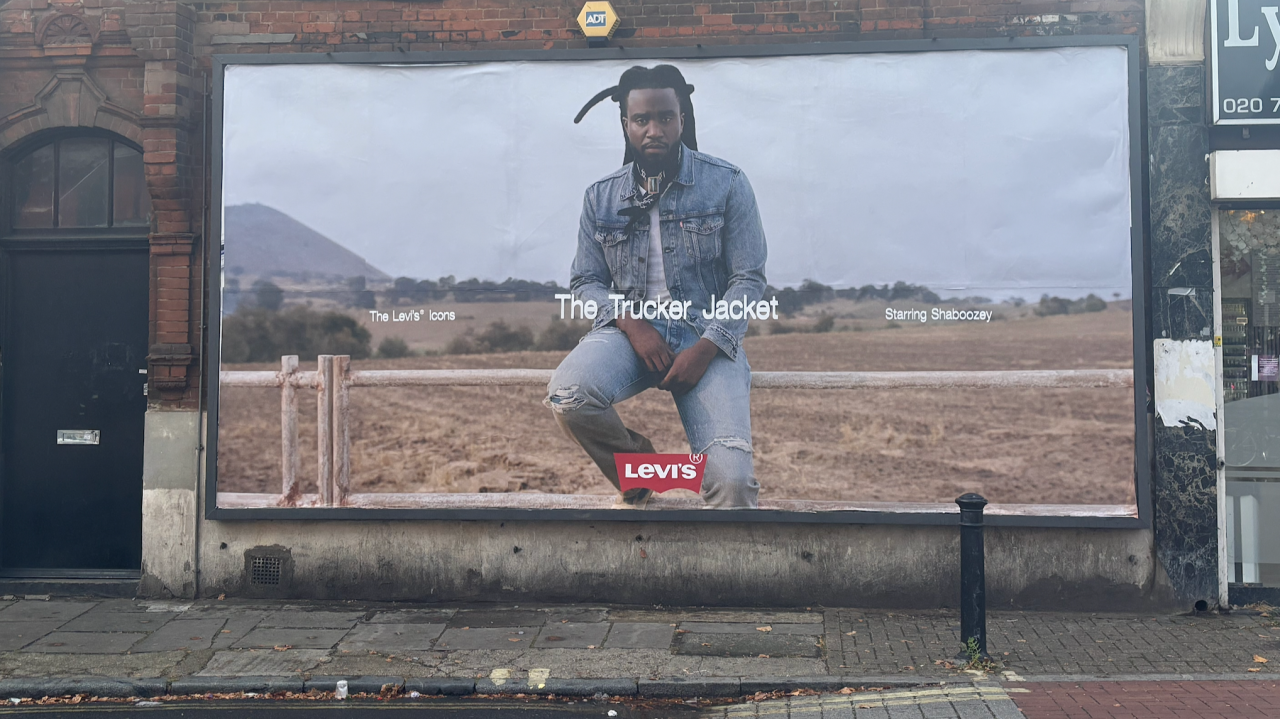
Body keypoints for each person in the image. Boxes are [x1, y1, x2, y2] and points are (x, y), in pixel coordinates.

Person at [544, 64, 768, 509]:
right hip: (630, 335)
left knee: (733, 484)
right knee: (568, 396)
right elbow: (585, 280)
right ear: (625, 124)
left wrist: (706, 348)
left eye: (665, 117)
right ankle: (643, 469)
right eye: (642, 119)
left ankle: (720, 575)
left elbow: (748, 279)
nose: (654, 129)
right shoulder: (600, 197)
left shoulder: (727, 183)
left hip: (707, 336)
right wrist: (630, 323)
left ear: (682, 118)